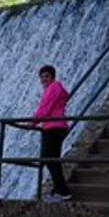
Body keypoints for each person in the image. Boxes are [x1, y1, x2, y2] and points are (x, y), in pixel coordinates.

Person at [34, 64, 71, 202]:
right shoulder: (56, 89)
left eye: (47, 76)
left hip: (54, 128)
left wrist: (32, 123)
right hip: (56, 127)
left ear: (53, 77)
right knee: (52, 159)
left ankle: (63, 191)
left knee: (49, 159)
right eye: (42, 77)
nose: (44, 79)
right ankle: (59, 189)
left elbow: (45, 109)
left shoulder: (53, 88)